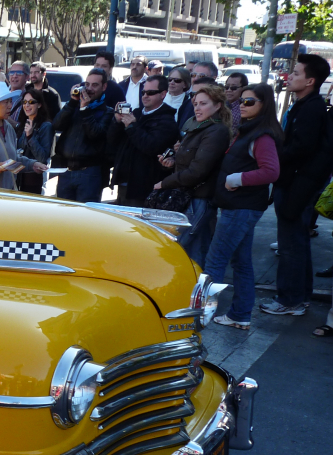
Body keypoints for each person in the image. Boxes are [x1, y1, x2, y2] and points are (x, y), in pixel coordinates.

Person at [204, 84, 283, 330]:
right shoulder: (250, 131)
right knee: (240, 262)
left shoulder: (262, 135)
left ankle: (201, 315)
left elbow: (271, 171)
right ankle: (239, 314)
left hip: (241, 207)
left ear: (264, 104)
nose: (242, 105)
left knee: (215, 261)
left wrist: (236, 179)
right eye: (241, 101)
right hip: (239, 206)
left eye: (250, 102)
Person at [261, 53, 333, 316]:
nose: (290, 76)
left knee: (291, 245)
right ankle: (298, 298)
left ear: (311, 80)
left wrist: (271, 158)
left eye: (296, 73)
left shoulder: (311, 107)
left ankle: (290, 300)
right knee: (296, 243)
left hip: (297, 185)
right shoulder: (306, 104)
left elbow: (301, 148)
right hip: (295, 183)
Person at [152, 84, 231, 266]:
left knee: (177, 251)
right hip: (191, 197)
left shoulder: (216, 131)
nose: (197, 108)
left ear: (217, 106)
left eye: (203, 104)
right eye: (195, 103)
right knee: (195, 253)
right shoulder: (199, 127)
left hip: (199, 200)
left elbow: (198, 171)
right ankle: (195, 291)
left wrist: (164, 183)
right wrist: (172, 162)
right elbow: (190, 163)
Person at [108, 75, 178, 207]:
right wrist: (117, 122)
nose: (145, 96)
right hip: (124, 182)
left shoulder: (167, 121)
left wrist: (132, 127)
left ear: (163, 94)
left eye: (150, 93)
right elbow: (112, 141)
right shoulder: (136, 113)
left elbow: (151, 146)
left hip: (144, 186)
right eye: (143, 92)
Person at [52, 68, 114, 202]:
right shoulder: (74, 106)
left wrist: (85, 109)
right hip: (66, 170)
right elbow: (57, 125)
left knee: (85, 218)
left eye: (95, 85)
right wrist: (73, 102)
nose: (89, 88)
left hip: (90, 173)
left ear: (104, 87)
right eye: (87, 84)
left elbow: (95, 134)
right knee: (63, 216)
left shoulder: (107, 112)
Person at [16, 86, 54, 195]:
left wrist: (30, 136)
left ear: (39, 105)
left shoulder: (46, 126)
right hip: (20, 176)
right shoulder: (23, 123)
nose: (27, 105)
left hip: (35, 178)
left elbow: (42, 157)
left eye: (31, 102)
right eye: (24, 102)